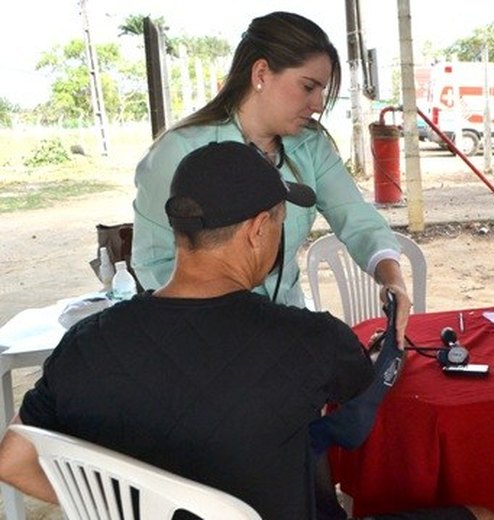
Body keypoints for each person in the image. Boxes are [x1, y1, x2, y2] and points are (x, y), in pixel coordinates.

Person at [0, 141, 373, 518]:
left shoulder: (86, 343)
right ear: (258, 229)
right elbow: (366, 389)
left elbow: (12, 461)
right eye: (279, 221)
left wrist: (124, 505)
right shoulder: (311, 339)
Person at [132, 11, 412, 340]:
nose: (318, 104)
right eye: (308, 86)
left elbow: (358, 219)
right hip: (203, 338)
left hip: (285, 328)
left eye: (322, 90)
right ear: (261, 73)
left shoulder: (310, 146)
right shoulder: (178, 152)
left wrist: (391, 278)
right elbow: (153, 262)